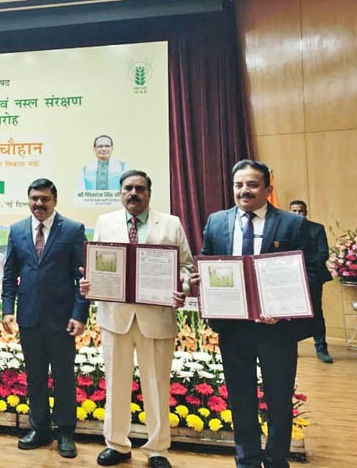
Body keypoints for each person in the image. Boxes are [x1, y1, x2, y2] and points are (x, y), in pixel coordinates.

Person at [83, 170, 193, 468]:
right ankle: (117, 444)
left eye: (140, 188)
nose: (134, 193)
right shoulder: (105, 222)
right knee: (115, 384)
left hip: (156, 318)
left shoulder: (170, 224)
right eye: (128, 188)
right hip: (115, 317)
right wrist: (90, 283)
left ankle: (157, 450)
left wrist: (181, 288)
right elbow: (97, 265)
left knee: (157, 386)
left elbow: (186, 267)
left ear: (149, 193)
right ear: (120, 193)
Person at [201, 159, 307, 468]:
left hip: (277, 329)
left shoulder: (291, 224)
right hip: (233, 328)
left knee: (279, 396)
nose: (244, 191)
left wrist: (284, 311)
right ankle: (246, 459)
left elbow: (308, 273)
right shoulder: (216, 222)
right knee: (240, 396)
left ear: (267, 189)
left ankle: (276, 459)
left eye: (252, 184)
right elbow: (208, 261)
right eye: (238, 185)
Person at [2, 178, 88, 458]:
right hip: (29, 317)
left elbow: (83, 277)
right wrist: (7, 309)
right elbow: (9, 275)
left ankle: (65, 432)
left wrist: (79, 314)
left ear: (55, 200)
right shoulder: (17, 230)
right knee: (35, 376)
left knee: (63, 377)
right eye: (34, 198)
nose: (39, 204)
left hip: (62, 319)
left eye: (44, 199)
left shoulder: (73, 229)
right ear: (28, 200)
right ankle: (38, 428)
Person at [289, 200, 333, 363]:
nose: (297, 214)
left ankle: (321, 348)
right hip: (290, 278)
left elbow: (323, 253)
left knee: (316, 312)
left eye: (300, 211)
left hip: (312, 276)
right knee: (290, 314)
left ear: (306, 212)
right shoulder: (285, 230)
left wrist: (302, 264)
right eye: (294, 211)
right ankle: (291, 348)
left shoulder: (317, 228)